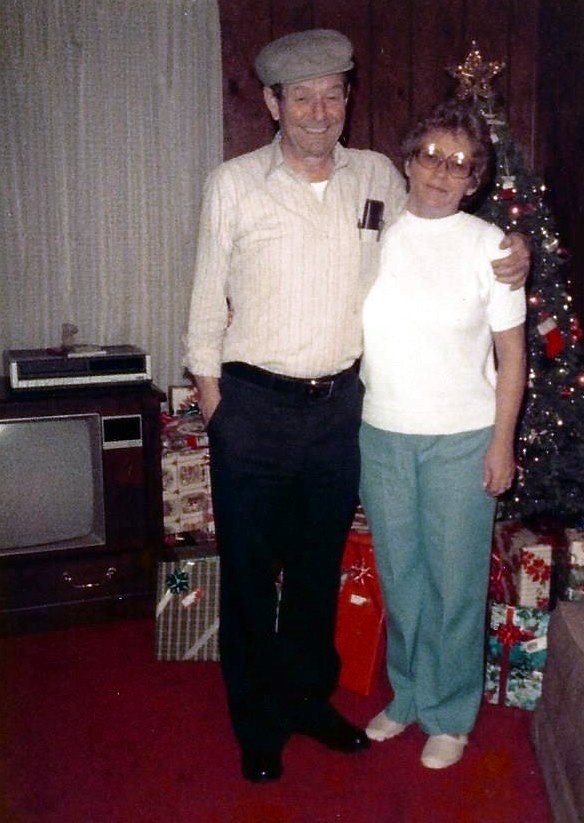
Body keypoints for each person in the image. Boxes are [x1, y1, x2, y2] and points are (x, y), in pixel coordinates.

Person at [184, 29, 530, 784]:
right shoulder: (233, 184)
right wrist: (216, 410)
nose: (318, 111)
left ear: (347, 100)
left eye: (332, 95)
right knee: (250, 574)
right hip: (254, 405)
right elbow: (206, 305)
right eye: (301, 97)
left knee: (317, 571)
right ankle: (259, 723)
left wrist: (517, 249)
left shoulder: (375, 176)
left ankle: (309, 702)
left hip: (340, 410)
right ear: (273, 103)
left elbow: (446, 223)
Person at [359, 98, 527, 770]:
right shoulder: (373, 234)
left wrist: (501, 443)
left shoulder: (492, 247)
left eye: (460, 164)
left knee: (455, 583)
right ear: (408, 161)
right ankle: (407, 695)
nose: (441, 172)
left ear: (474, 179)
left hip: (463, 437)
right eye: (432, 155)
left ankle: (451, 715)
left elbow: (513, 355)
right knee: (401, 578)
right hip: (382, 433)